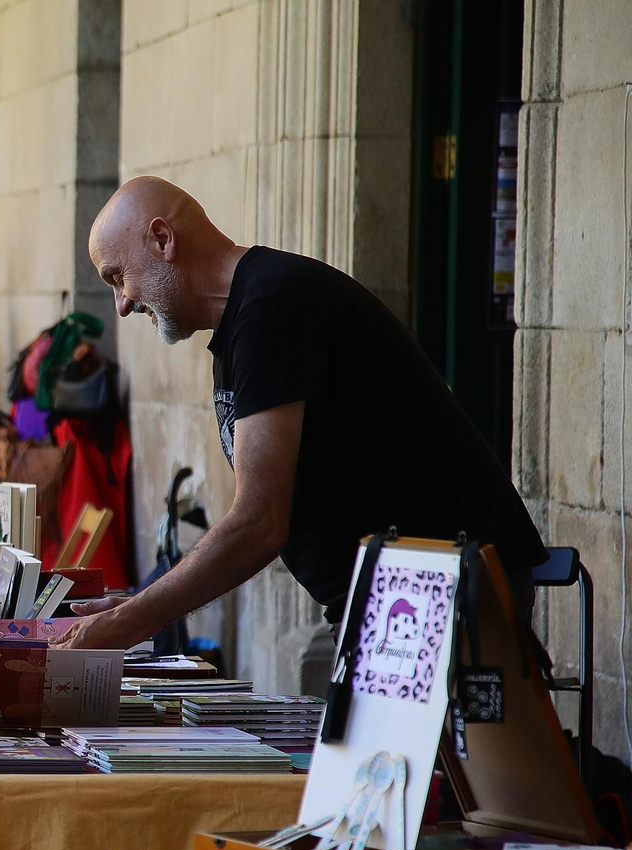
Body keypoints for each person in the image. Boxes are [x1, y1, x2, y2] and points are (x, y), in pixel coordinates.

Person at [59, 176, 546, 651]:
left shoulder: (272, 306)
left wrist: (132, 621)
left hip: (442, 585)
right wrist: (138, 609)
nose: (121, 304)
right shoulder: (245, 319)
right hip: (394, 596)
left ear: (162, 239)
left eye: (118, 277)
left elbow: (259, 521)